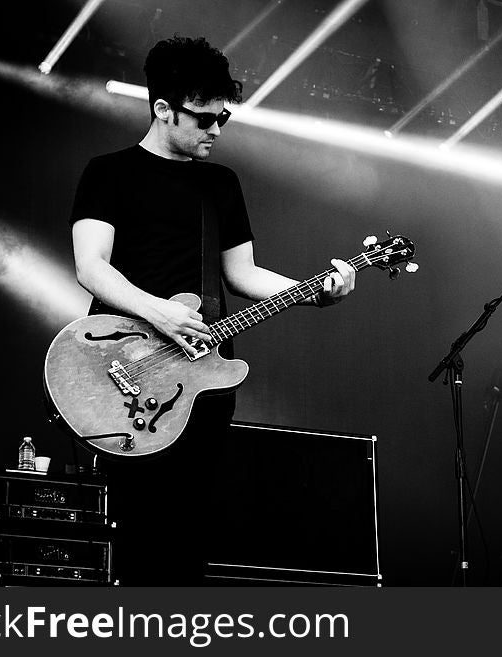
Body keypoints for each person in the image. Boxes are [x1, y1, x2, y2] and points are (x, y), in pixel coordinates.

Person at [69, 36, 356, 585]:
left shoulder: (220, 184)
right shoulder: (109, 173)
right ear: (162, 108)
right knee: (130, 532)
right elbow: (92, 266)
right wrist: (160, 313)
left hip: (202, 377)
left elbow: (242, 274)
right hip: (126, 372)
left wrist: (316, 289)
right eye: (203, 119)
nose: (216, 130)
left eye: (223, 117)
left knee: (188, 530)